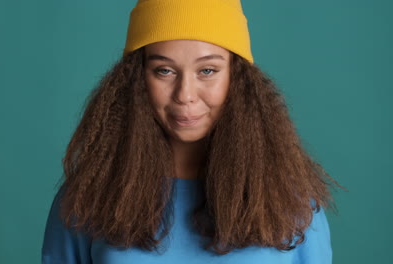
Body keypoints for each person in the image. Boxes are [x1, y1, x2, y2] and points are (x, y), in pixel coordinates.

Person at [41, 0, 345, 263]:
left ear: (238, 79)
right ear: (136, 79)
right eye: (164, 71)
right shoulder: (88, 197)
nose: (185, 94)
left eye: (207, 71)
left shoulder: (292, 204)